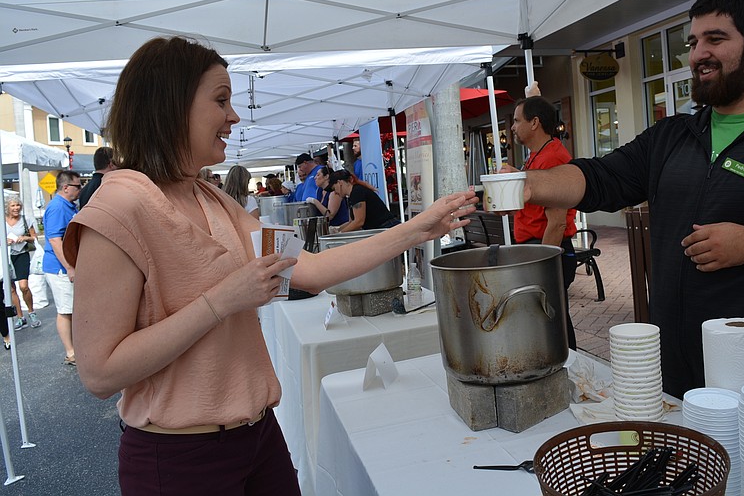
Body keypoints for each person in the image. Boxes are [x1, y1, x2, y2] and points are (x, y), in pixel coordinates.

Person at [62, 36, 476, 496]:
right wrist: (221, 301)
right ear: (171, 104)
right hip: (179, 460)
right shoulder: (116, 210)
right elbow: (99, 373)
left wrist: (419, 228)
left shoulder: (211, 197)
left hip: (258, 437)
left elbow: (310, 270)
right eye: (221, 100)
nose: (234, 117)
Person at [518, 0, 744, 418]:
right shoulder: (672, 137)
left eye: (716, 38)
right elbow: (598, 177)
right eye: (693, 42)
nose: (697, 54)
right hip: (679, 379)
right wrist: (526, 185)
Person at [510, 96, 578, 350]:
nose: (513, 127)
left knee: (553, 320)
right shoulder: (536, 156)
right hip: (537, 247)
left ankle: (570, 372)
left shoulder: (552, 158)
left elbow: (557, 222)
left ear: (535, 122)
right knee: (548, 318)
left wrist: (542, 262)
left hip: (549, 250)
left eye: (517, 121)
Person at [43, 170, 81, 366]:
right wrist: (69, 267)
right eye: (77, 186)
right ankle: (70, 352)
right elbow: (55, 240)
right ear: (66, 187)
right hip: (59, 268)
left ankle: (75, 349)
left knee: (72, 308)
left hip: (65, 266)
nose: (80, 189)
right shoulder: (58, 207)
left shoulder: (68, 205)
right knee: (66, 310)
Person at [5, 196, 41, 329]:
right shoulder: (2, 221)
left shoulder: (26, 219)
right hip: (6, 256)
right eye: (13, 206)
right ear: (7, 207)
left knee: (23, 286)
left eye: (18, 205)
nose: (16, 208)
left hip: (21, 254)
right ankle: (20, 317)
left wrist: (25, 237)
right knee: (11, 288)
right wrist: (5, 241)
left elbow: (34, 238)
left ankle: (31, 312)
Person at [329, 169, 399, 232]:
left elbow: (359, 221)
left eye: (334, 188)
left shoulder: (357, 192)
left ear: (339, 183)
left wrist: (340, 233)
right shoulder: (352, 195)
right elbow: (351, 222)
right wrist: (338, 229)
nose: (335, 192)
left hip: (387, 228)